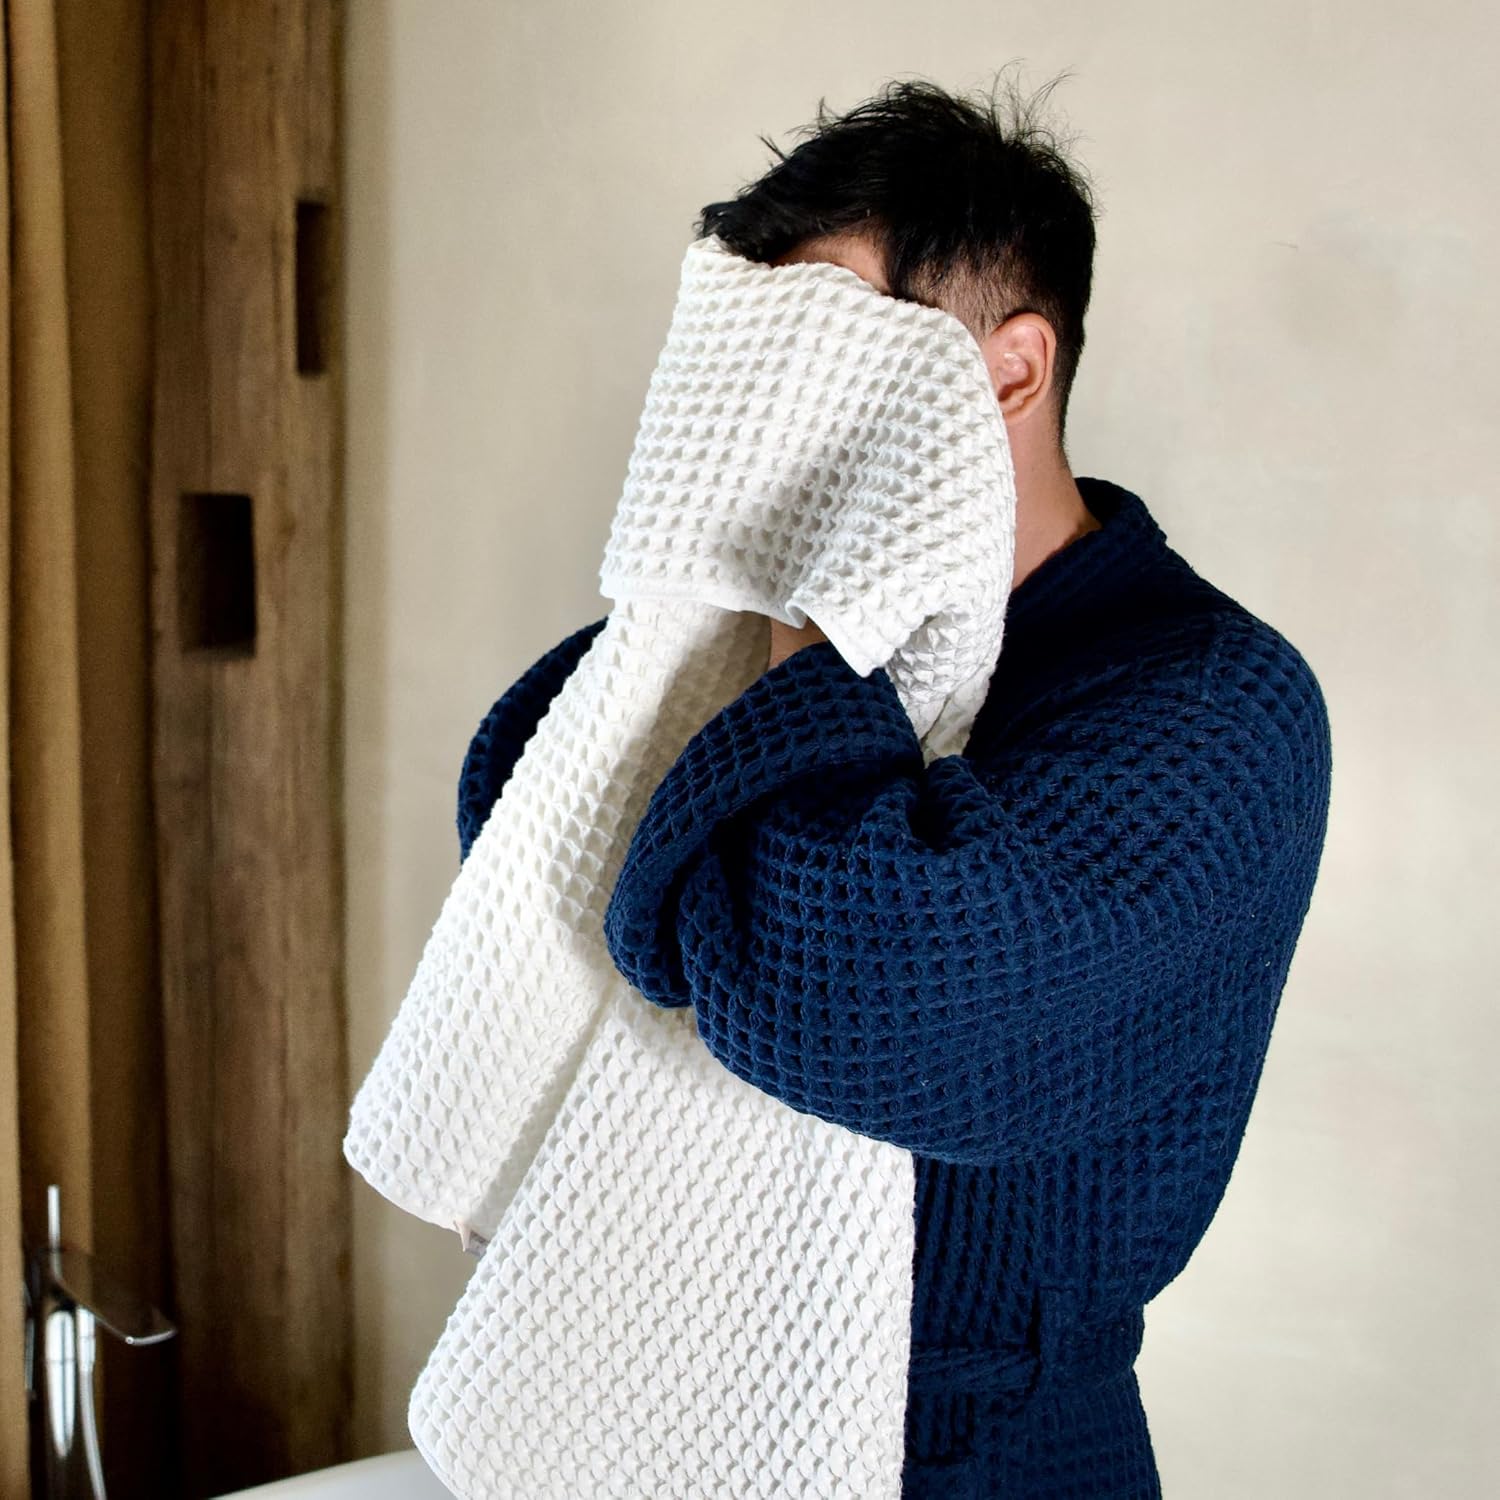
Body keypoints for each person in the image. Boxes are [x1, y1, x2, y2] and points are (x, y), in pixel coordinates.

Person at [455, 75, 1332, 1500]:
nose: (772, 400)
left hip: (981, 1453)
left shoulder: (1213, 700)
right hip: (653, 1392)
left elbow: (859, 997)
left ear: (1010, 370)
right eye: (757, 348)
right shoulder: (755, 626)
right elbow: (521, 815)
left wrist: (816, 647)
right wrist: (732, 618)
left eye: (830, 341)